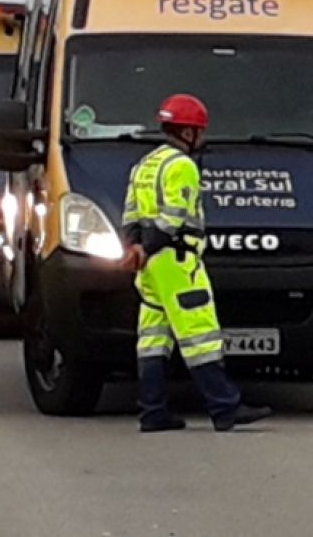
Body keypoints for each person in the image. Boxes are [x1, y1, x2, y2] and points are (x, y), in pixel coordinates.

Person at [121, 94, 272, 433]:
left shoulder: (145, 164)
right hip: (176, 261)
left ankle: (153, 413)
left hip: (149, 269)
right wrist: (148, 247)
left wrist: (134, 247)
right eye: (199, 132)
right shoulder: (182, 166)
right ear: (187, 133)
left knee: (153, 339)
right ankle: (225, 408)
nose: (202, 139)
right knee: (200, 337)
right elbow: (173, 218)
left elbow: (130, 214)